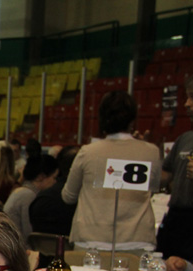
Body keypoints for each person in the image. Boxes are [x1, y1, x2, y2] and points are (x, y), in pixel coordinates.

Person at [62, 90, 161, 251]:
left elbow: (68, 196)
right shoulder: (151, 151)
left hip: (91, 240)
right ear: (132, 120)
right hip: (137, 240)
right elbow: (152, 191)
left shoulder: (88, 152)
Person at [155, 76, 193, 262]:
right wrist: (147, 160)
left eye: (192, 97)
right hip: (176, 219)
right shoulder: (184, 138)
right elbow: (164, 176)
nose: (187, 103)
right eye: (187, 97)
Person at [2, 154, 59, 245]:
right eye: (54, 177)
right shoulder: (28, 195)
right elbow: (29, 234)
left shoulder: (24, 192)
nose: (55, 182)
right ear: (41, 176)